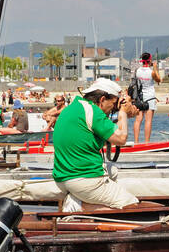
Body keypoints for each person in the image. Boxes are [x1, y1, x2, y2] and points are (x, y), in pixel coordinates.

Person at [50, 77, 152, 209]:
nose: (113, 109)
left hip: (63, 176)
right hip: (83, 179)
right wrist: (122, 113)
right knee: (131, 204)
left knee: (113, 171)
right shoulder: (93, 112)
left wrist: (125, 116)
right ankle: (79, 205)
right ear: (102, 100)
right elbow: (120, 139)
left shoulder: (76, 107)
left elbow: (102, 132)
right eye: (114, 103)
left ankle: (89, 198)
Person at [131, 52, 162, 144]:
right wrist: (155, 67)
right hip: (150, 97)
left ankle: (136, 141)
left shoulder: (137, 71)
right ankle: (147, 142)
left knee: (138, 120)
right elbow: (159, 80)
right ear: (150, 60)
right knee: (148, 121)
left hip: (139, 97)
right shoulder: (151, 72)